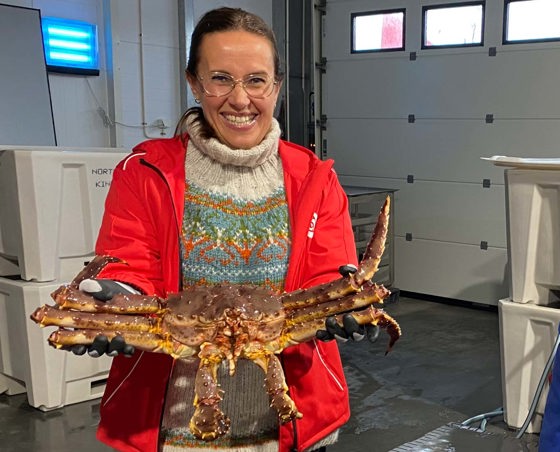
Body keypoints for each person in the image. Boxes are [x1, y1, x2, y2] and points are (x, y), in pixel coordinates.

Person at [73, 7, 376, 452]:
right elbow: (128, 262)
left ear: (275, 86)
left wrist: (341, 302)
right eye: (220, 79)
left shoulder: (313, 176)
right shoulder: (145, 172)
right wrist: (117, 292)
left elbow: (329, 274)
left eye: (256, 80)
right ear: (194, 82)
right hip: (174, 427)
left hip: (295, 420)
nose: (239, 99)